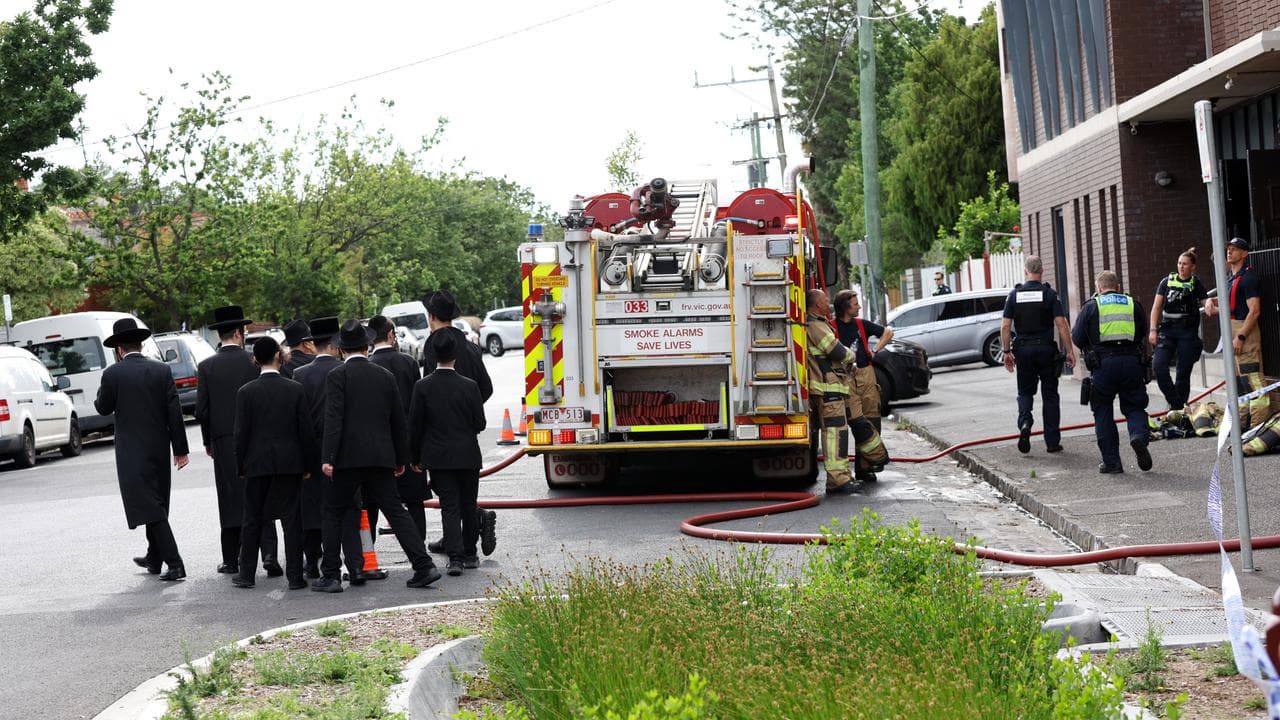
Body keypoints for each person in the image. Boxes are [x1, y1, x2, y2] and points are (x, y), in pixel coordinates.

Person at [313, 320, 441, 592]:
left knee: (333, 512)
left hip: (347, 458)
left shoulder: (337, 376)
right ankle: (423, 565)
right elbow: (397, 420)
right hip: (381, 455)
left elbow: (334, 418)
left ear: (341, 349)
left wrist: (328, 457)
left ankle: (332, 575)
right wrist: (400, 459)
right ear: (366, 344)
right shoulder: (385, 376)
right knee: (395, 510)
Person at [95, 318, 190, 581]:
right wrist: (180, 449)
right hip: (159, 447)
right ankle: (154, 557)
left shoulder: (112, 374)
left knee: (150, 506)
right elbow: (175, 412)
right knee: (157, 501)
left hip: (131, 452)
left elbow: (103, 407)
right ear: (140, 343)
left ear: (119, 349)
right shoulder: (161, 371)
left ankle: (175, 563)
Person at [197, 305, 279, 576]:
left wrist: (208, 440)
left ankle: (231, 558)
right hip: (256, 436)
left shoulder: (206, 366)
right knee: (261, 494)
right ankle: (268, 553)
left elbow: (203, 410)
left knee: (229, 498)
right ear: (237, 332)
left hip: (222, 439)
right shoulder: (253, 362)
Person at [231, 337, 315, 590]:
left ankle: (246, 573)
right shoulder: (295, 389)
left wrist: (241, 465)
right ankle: (296, 576)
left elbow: (240, 434)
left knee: (253, 517)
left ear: (255, 359)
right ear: (280, 356)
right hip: (290, 461)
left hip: (256, 462)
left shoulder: (245, 392)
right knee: (292, 519)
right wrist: (308, 464)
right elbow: (305, 431)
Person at [420, 290, 497, 557]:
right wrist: (470, 410)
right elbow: (486, 387)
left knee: (447, 494)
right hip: (466, 433)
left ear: (431, 316)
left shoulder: (432, 347)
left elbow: (426, 391)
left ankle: (469, 527)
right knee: (461, 493)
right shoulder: (471, 347)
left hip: (439, 436)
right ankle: (465, 538)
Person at [410, 330, 487, 576]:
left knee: (449, 506)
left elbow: (415, 426)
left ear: (433, 357)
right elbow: (480, 423)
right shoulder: (470, 386)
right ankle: (471, 553)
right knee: (468, 503)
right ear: (455, 356)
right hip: (467, 454)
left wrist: (415, 457)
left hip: (438, 457)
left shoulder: (422, 387)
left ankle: (454, 558)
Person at [294, 317, 363, 581]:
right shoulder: (345, 370)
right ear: (336, 343)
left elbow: (299, 419)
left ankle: (312, 563)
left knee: (313, 509)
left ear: (312, 343)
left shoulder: (300, 375)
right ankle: (355, 564)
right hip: (345, 450)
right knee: (348, 509)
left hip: (312, 451)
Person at [805, 289, 887, 493]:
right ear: (816, 305)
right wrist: (851, 355)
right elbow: (835, 350)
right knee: (835, 436)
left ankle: (864, 466)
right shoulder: (816, 326)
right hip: (828, 389)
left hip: (831, 388)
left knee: (855, 425)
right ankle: (838, 480)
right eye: (825, 301)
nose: (828, 304)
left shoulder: (820, 323)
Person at [1072, 271, 1152, 474]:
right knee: (1134, 406)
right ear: (1118, 287)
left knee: (1103, 411)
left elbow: (1078, 338)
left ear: (1099, 288)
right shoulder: (1133, 304)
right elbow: (1143, 330)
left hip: (1103, 366)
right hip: (1131, 362)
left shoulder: (1091, 306)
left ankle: (1112, 462)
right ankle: (1138, 437)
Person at [1000, 255, 1077, 454]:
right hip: (1046, 350)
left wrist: (1006, 351)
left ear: (1026, 272)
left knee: (1025, 392)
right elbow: (1061, 324)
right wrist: (1070, 351)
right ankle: (1052, 442)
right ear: (1041, 271)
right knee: (1050, 395)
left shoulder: (1014, 295)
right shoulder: (1050, 294)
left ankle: (1025, 422)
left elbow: (1006, 326)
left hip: (1023, 351)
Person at [367, 314, 430, 541]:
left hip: (377, 445)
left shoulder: (368, 366)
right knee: (413, 501)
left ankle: (367, 554)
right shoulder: (408, 363)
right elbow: (417, 405)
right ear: (392, 335)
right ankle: (418, 547)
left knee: (371, 503)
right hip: (407, 439)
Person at [1205, 237, 1275, 428]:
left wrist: (1241, 336)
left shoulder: (1248, 278)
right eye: (1228, 248)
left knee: (1252, 380)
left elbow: (1254, 311)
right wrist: (1211, 302)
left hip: (1244, 334)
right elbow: (1228, 302)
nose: (1229, 252)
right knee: (1239, 383)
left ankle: (1258, 427)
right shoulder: (1232, 278)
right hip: (1232, 331)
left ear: (1245, 254)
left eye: (1235, 249)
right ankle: (1241, 426)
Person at [833, 289, 892, 481]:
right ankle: (872, 459)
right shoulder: (831, 327)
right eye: (855, 303)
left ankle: (865, 468)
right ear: (845, 307)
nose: (858, 306)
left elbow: (888, 332)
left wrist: (875, 350)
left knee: (872, 420)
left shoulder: (861, 324)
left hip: (867, 376)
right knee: (858, 422)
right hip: (846, 379)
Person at [1148, 248, 1209, 416]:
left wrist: (1210, 304)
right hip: (1167, 330)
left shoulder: (1196, 283)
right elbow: (1156, 307)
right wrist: (1153, 330)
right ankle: (1177, 404)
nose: (1181, 267)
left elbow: (1206, 301)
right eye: (1179, 263)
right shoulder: (1166, 282)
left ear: (1193, 267)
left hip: (1187, 332)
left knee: (1183, 372)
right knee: (1159, 366)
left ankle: (1178, 412)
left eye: (1185, 264)